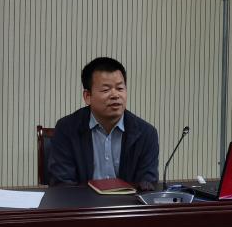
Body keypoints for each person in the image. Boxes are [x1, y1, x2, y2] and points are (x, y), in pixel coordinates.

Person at [47, 57, 159, 188]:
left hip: (128, 201)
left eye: (120, 88)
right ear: (87, 96)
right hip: (82, 201)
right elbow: (62, 184)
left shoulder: (146, 133)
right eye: (106, 90)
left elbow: (147, 184)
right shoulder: (67, 129)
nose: (115, 95)